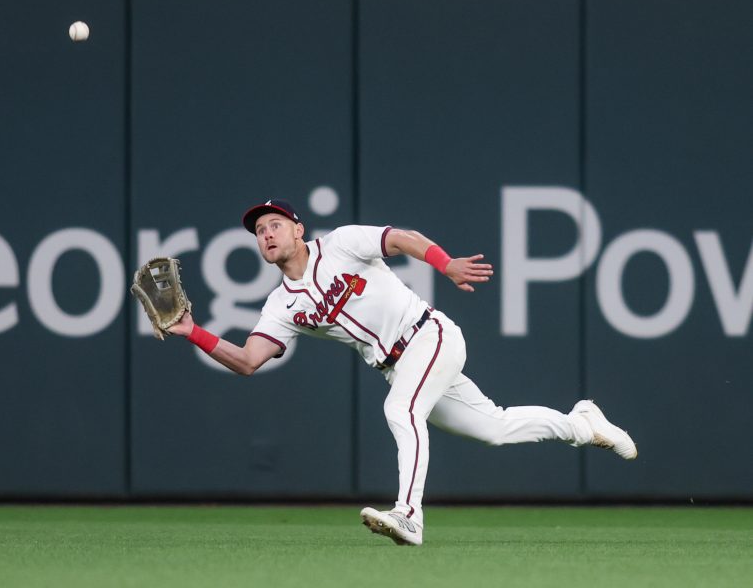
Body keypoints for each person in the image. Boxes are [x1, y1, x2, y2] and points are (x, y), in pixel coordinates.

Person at [167, 198, 637, 546]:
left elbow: (401, 238)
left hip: (428, 336)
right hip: (398, 364)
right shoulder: (280, 305)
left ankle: (409, 514)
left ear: (297, 229)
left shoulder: (341, 244)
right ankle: (583, 424)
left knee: (400, 410)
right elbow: (248, 360)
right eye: (259, 230)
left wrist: (445, 263)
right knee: (493, 427)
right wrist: (192, 331)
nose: (266, 234)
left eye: (275, 224)